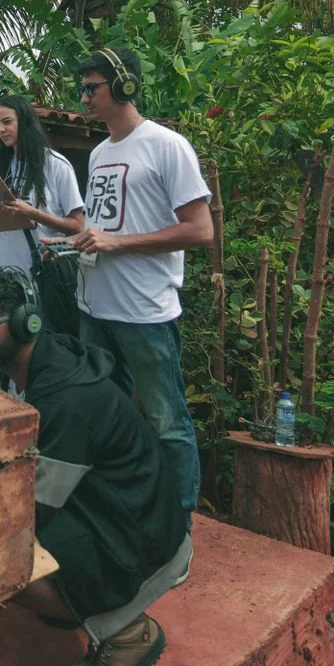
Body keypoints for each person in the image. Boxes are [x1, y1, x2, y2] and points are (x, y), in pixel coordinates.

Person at [0, 267, 189, 666]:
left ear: (25, 322)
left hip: (143, 540)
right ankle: (78, 601)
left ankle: (125, 634)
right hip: (124, 510)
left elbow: (36, 507)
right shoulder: (44, 363)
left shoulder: (65, 399)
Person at [61, 47, 213, 531]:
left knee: (167, 422)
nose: (84, 97)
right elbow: (106, 227)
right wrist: (73, 244)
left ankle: (180, 523)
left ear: (124, 85)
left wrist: (116, 243)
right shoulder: (101, 153)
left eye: (93, 88)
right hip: (96, 308)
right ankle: (124, 508)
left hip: (145, 313)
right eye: (81, 88)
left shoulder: (167, 146)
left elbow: (200, 230)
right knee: (105, 416)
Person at [0, 95, 86, 335]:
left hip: (40, 278)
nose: (1, 130)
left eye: (7, 122)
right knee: (9, 346)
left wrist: (34, 214)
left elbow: (77, 226)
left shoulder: (55, 165)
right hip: (3, 276)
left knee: (42, 343)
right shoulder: (2, 167)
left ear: (25, 121)